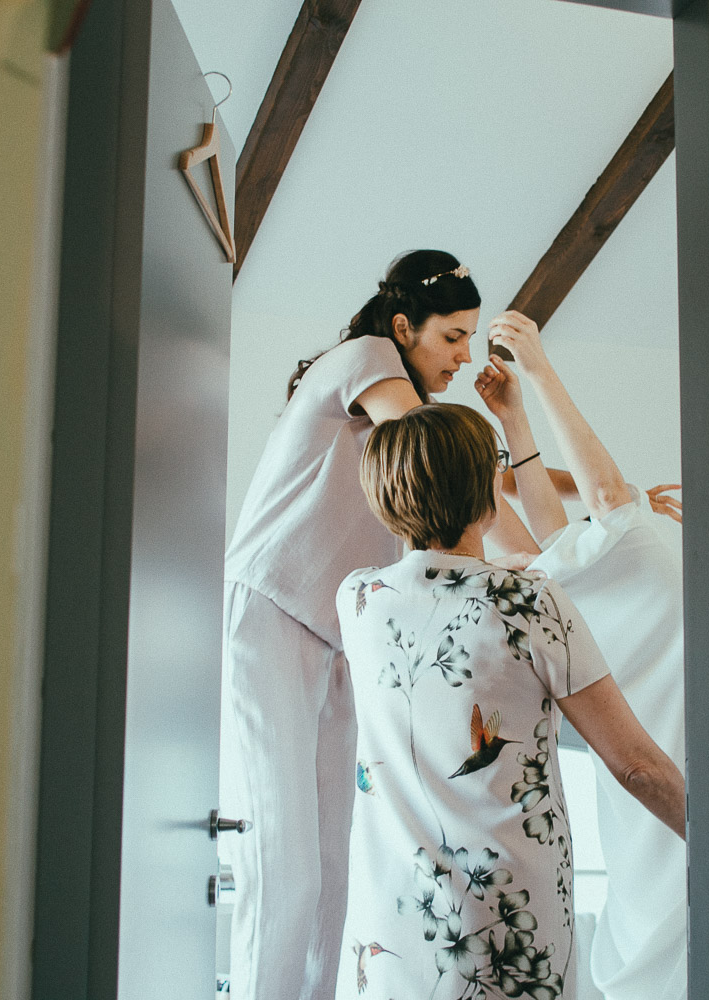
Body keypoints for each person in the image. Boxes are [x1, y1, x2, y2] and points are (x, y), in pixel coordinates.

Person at [220, 251, 535, 1000]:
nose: (464, 356)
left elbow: (480, 474)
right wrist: (530, 555)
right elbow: (440, 458)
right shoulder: (363, 358)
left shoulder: (406, 401)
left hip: (337, 634)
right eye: (453, 338)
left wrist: (590, 500)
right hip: (271, 609)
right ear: (404, 327)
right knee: (285, 862)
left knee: (335, 863)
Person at [334, 402, 684, 1000]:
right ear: (485, 491)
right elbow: (636, 766)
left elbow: (439, 589)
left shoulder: (359, 598)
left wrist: (499, 568)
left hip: (397, 921)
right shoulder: (530, 603)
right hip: (510, 923)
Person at [474, 310, 688, 1000]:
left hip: (663, 767)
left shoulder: (553, 582)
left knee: (661, 915)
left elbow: (559, 523)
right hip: (659, 774)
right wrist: (537, 371)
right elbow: (595, 502)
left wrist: (515, 421)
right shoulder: (571, 575)